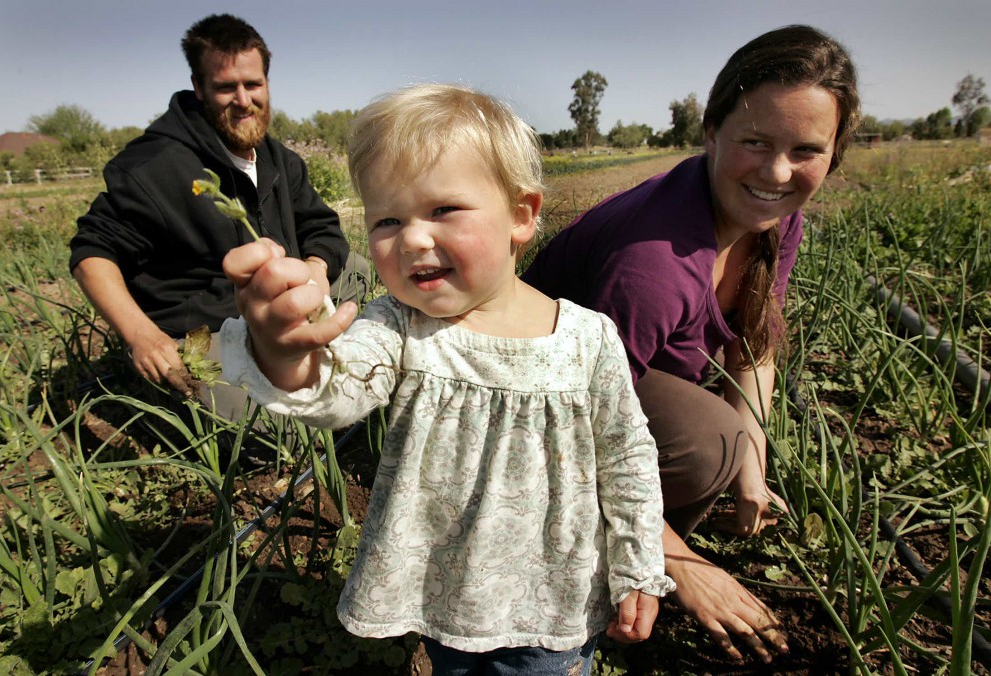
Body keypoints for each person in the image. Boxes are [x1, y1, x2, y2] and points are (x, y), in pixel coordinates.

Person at [219, 84, 675, 674]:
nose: (411, 238)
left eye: (443, 210)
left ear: (521, 216)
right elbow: (338, 385)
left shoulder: (586, 340)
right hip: (444, 599)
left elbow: (627, 459)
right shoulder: (397, 328)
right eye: (386, 219)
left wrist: (639, 566)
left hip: (549, 602)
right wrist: (284, 353)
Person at [523, 25, 861, 663]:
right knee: (710, 441)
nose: (778, 171)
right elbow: (564, 432)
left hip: (601, 395)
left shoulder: (773, 219)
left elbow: (753, 346)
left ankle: (632, 550)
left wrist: (752, 472)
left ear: (835, 152)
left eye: (805, 150)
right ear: (712, 132)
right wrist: (681, 563)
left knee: (730, 446)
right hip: (528, 416)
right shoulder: (652, 265)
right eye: (755, 142)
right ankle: (585, 571)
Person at [69, 14, 368, 412]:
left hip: (282, 306)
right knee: (281, 429)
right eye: (227, 88)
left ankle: (309, 349)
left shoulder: (279, 159)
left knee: (360, 267)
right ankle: (169, 382)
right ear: (199, 88)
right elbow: (92, 251)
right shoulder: (153, 167)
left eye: (253, 84)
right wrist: (141, 335)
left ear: (267, 82)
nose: (244, 101)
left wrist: (314, 273)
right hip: (210, 330)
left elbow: (321, 226)